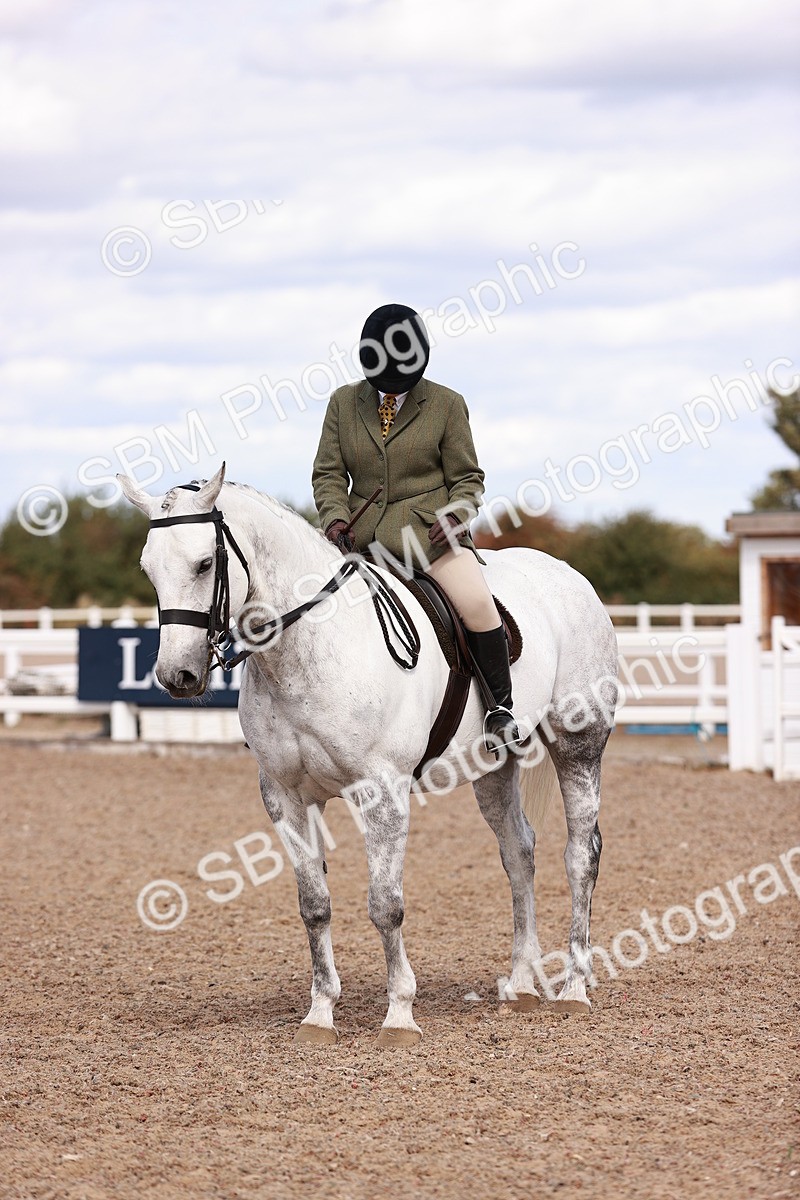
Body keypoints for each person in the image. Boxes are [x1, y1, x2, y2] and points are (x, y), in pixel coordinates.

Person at [312, 303, 520, 748]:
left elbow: (468, 479)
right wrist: (334, 518)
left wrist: (455, 514)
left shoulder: (446, 404)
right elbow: (328, 474)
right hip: (359, 540)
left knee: (479, 605)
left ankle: (500, 709)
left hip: (430, 541)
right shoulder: (343, 404)